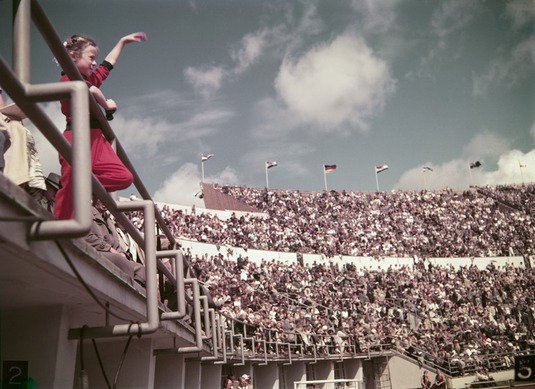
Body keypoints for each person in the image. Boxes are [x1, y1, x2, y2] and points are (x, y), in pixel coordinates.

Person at [54, 32, 147, 220]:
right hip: (77, 137)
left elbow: (107, 65)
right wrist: (108, 106)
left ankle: (87, 187)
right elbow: (92, 90)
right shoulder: (68, 78)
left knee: (124, 177)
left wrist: (122, 42)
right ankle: (61, 228)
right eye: (91, 58)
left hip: (96, 139)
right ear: (73, 56)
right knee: (70, 186)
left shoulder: (87, 77)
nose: (94, 63)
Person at [85, 198, 146, 286]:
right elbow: (87, 236)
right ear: (94, 198)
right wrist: (110, 249)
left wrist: (121, 252)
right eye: (100, 198)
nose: (104, 201)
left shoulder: (107, 218)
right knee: (120, 261)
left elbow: (115, 241)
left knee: (143, 269)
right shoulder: (87, 211)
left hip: (111, 254)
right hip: (99, 252)